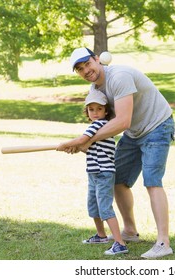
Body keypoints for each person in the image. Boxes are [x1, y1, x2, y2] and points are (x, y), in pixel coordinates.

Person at [65, 47, 175, 258]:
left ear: (97, 60)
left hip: (157, 126)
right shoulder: (94, 91)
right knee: (117, 180)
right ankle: (130, 231)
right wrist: (82, 144)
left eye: (87, 63)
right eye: (80, 69)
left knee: (152, 181)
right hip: (134, 133)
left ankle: (163, 242)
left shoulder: (120, 77)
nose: (86, 70)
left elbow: (122, 121)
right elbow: (101, 126)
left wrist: (84, 140)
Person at [57, 90, 128, 256]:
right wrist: (74, 148)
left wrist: (64, 144)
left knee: (104, 207)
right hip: (94, 172)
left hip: (103, 173)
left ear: (106, 111)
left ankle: (120, 243)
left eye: (99, 109)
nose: (95, 113)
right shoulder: (96, 128)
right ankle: (101, 235)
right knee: (93, 205)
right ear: (87, 111)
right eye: (91, 109)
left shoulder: (99, 125)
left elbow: (82, 141)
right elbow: (87, 148)